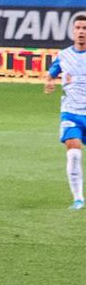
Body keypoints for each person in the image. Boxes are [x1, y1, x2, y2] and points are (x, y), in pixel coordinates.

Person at [45, 13, 86, 210]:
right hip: (71, 113)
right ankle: (78, 199)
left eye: (85, 29)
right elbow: (51, 72)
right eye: (78, 28)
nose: (81, 32)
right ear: (72, 31)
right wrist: (49, 82)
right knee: (74, 154)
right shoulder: (63, 56)